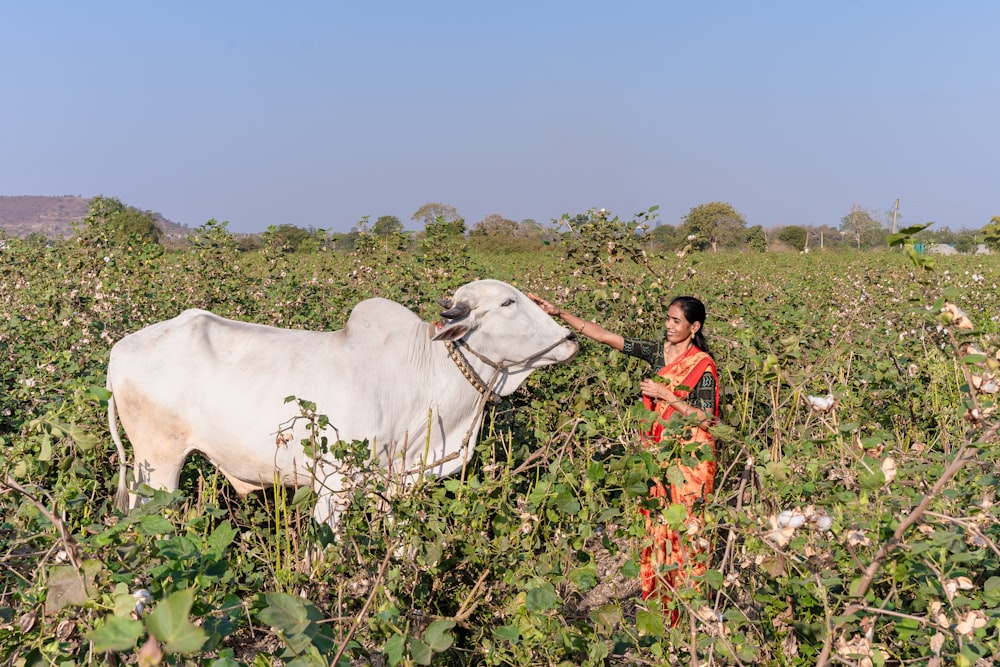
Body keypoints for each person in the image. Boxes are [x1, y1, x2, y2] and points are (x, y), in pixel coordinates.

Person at [528, 292, 720, 619]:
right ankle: (662, 605)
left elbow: (706, 419)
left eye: (677, 321)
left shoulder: (702, 365)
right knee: (658, 526)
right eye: (668, 318)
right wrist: (559, 311)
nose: (669, 325)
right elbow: (603, 336)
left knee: (689, 530)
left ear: (694, 326)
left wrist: (665, 395)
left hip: (689, 458)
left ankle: (690, 608)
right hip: (657, 454)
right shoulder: (656, 352)